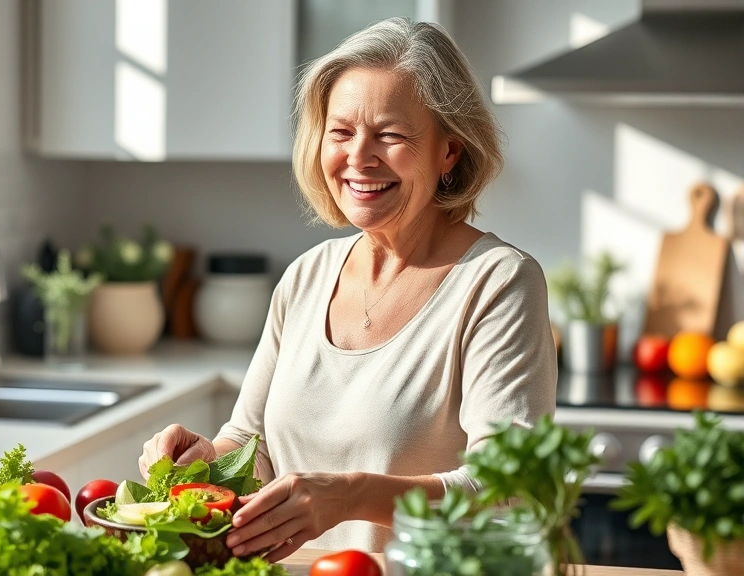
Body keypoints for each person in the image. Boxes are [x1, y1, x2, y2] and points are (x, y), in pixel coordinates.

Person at [139, 17, 556, 560]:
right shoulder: (306, 277)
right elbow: (250, 450)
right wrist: (200, 464)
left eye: (390, 134)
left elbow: (509, 494)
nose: (359, 157)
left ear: (448, 152)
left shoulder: (499, 282)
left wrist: (351, 496)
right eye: (341, 132)